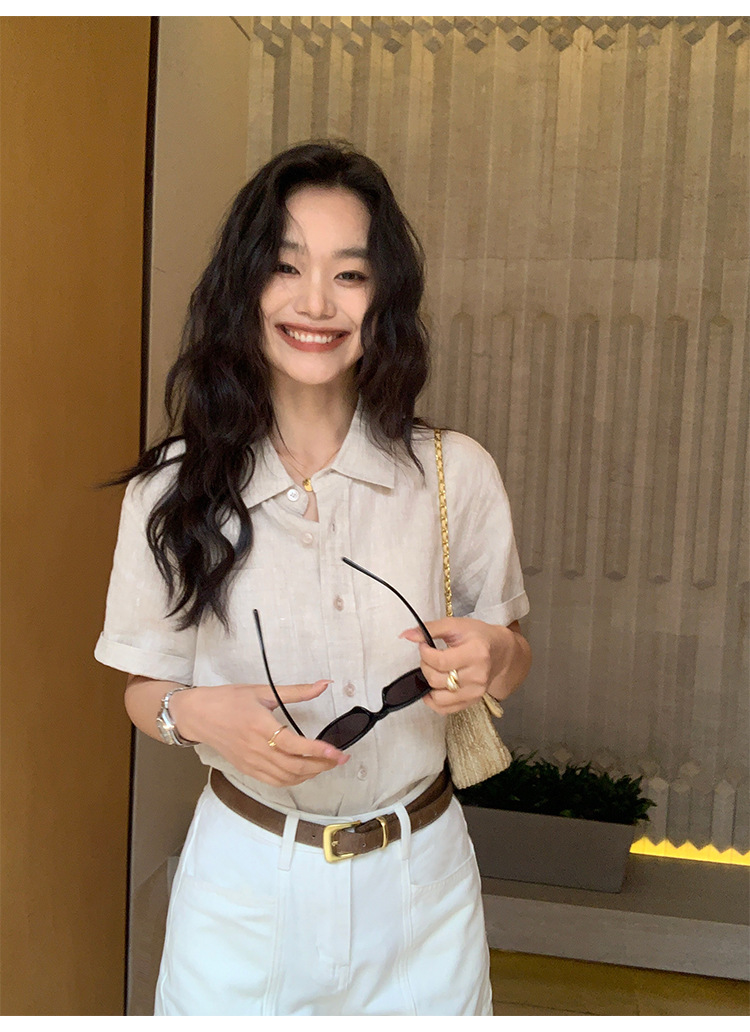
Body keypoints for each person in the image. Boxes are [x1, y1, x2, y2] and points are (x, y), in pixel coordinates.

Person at [95, 140, 531, 1016]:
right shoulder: (171, 490)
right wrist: (196, 714)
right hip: (244, 888)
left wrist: (494, 658)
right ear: (244, 287)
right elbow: (144, 691)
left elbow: (510, 656)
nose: (317, 303)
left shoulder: (455, 473)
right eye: (286, 267)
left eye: (350, 274)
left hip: (422, 888)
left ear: (384, 297)